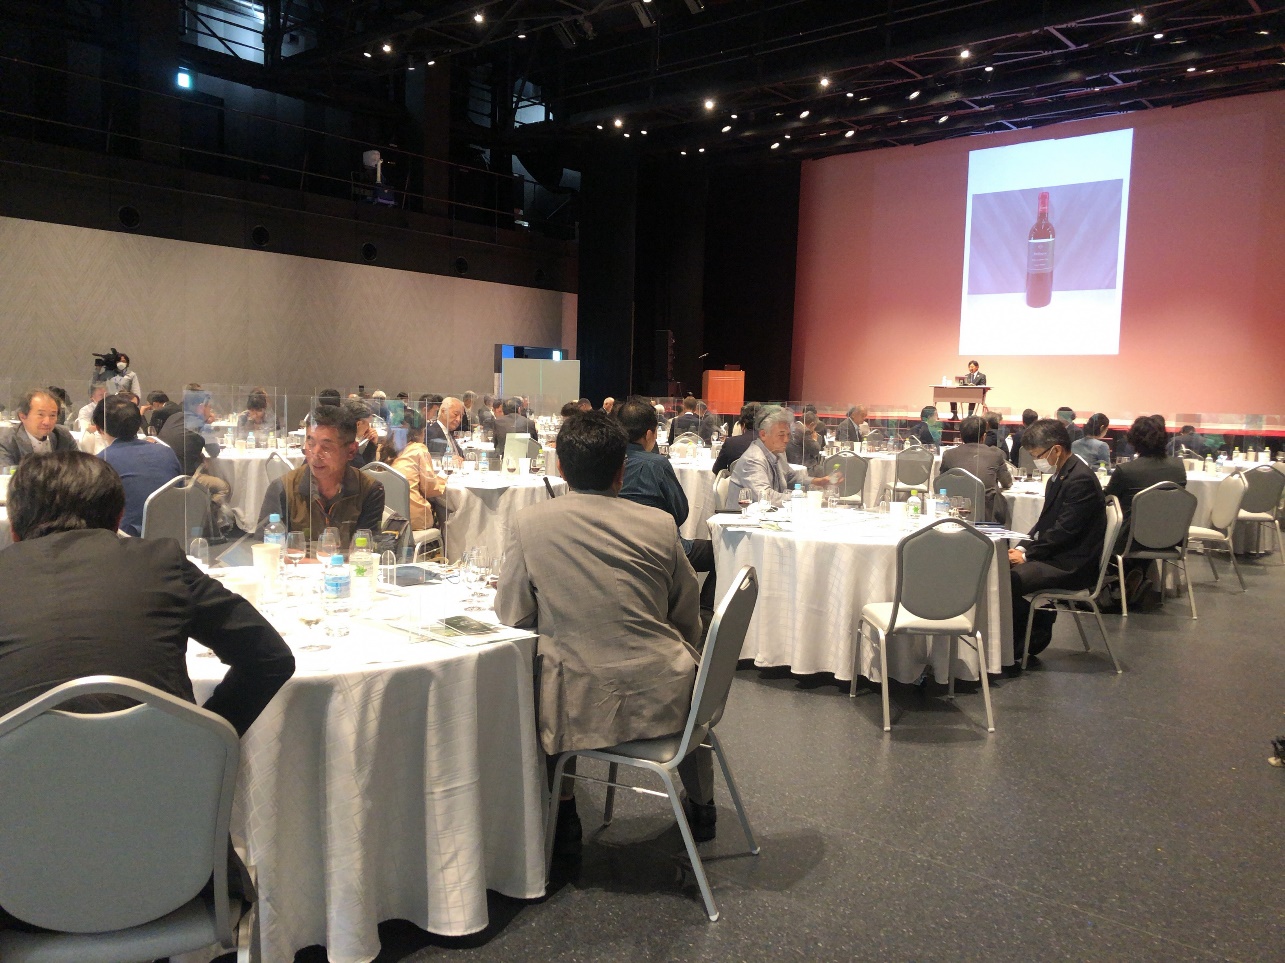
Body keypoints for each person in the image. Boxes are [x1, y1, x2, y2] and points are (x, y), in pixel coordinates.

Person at [494, 411, 714, 853]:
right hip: (670, 698)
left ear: (560, 467)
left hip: (578, 705)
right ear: (621, 471)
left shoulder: (530, 524)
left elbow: (512, 614)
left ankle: (564, 814)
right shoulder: (660, 525)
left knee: (541, 679)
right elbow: (687, 614)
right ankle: (704, 808)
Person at [0, 451, 294, 733]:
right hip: (165, 762)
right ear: (119, 519)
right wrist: (210, 735)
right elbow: (269, 657)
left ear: (13, 528)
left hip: (18, 766)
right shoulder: (161, 561)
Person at [1008, 419, 1107, 665]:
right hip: (1059, 554)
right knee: (1002, 571)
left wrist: (1027, 556)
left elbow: (1064, 531)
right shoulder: (1060, 476)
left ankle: (1029, 635)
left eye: (1038, 455)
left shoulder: (1080, 479)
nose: (1036, 461)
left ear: (1057, 450)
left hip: (1072, 564)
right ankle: (1020, 636)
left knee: (1009, 580)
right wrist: (1021, 547)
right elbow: (1044, 523)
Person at [617, 398, 719, 614]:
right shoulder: (656, 464)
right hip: (660, 547)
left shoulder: (608, 461)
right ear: (649, 434)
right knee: (721, 552)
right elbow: (680, 512)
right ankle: (703, 614)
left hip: (615, 545)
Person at [257, 404, 385, 550]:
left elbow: (365, 553)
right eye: (310, 443)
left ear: (351, 451)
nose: (315, 454)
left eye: (326, 447)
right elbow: (265, 550)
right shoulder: (283, 488)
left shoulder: (369, 490)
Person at [97, 396, 182, 537]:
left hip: (127, 539)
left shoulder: (102, 461)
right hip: (172, 534)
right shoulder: (166, 452)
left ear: (99, 428)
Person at [729, 406, 825, 507]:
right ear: (763, 434)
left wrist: (818, 481)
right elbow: (766, 497)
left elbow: (791, 477)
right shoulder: (753, 459)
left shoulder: (778, 453)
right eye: (781, 435)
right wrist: (803, 498)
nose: (786, 440)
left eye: (788, 435)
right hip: (744, 514)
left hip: (768, 512)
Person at [380, 409, 447, 532]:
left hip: (385, 517)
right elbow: (430, 489)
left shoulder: (383, 450)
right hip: (413, 519)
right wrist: (443, 480)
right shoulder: (418, 449)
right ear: (420, 432)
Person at [940, 415, 1013, 524]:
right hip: (988, 517)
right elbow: (1007, 483)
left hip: (956, 514)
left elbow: (941, 484)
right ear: (984, 436)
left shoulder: (948, 455)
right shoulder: (996, 454)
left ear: (961, 436)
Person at [0, 389, 78, 468]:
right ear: (22, 416)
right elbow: (6, 473)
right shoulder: (6, 441)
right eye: (40, 415)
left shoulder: (63, 436)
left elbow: (79, 468)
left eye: (52, 415)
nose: (47, 422)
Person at [159, 384, 221, 474]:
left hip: (163, 471)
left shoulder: (174, 417)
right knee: (221, 482)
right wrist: (206, 424)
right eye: (209, 407)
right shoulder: (202, 426)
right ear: (201, 407)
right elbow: (214, 452)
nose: (210, 410)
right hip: (183, 477)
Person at [712, 402, 763, 475]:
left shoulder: (731, 443)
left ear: (743, 425)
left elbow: (716, 469)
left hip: (737, 481)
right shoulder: (769, 443)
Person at [424, 396, 465, 462]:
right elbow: (430, 458)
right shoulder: (431, 433)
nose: (459, 419)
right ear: (443, 411)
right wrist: (449, 460)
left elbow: (460, 455)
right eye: (456, 414)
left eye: (461, 416)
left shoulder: (448, 431)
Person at [343, 399, 380, 467]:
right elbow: (362, 469)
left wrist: (372, 445)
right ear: (358, 424)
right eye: (368, 424)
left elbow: (361, 465)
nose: (369, 428)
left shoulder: (340, 439)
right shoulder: (349, 446)